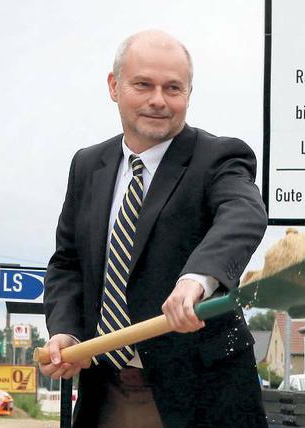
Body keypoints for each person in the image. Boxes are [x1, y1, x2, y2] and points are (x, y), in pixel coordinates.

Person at [39, 30, 268, 427]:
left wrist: (196, 280)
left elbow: (243, 213)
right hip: (105, 394)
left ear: (189, 94)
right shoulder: (87, 166)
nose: (158, 100)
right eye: (143, 84)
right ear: (114, 86)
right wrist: (67, 333)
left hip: (202, 398)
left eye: (173, 88)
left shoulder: (219, 157)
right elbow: (68, 263)